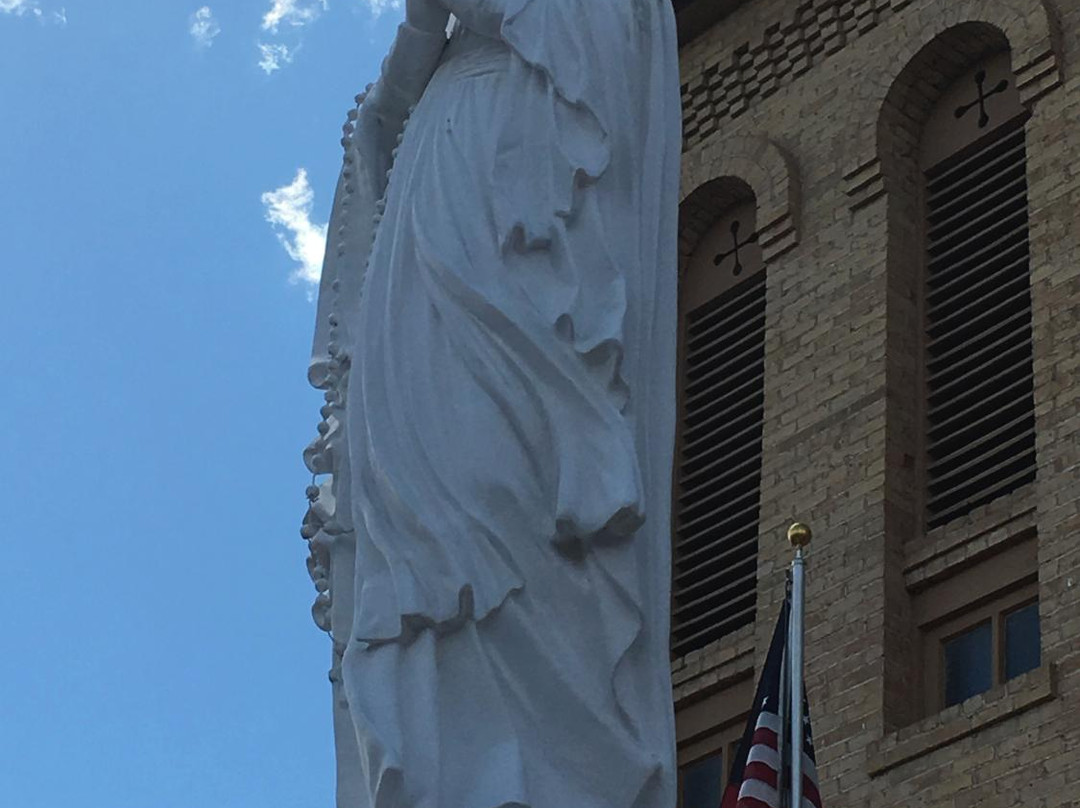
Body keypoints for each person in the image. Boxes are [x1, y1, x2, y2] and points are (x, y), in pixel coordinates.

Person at [306, 1, 683, 805]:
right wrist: (418, 30)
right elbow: (392, 100)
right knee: (410, 484)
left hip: (521, 209)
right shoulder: (447, 73)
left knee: (502, 481)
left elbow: (590, 47)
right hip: (436, 192)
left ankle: (539, 764)